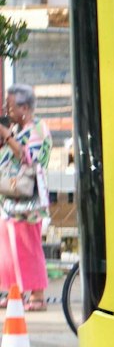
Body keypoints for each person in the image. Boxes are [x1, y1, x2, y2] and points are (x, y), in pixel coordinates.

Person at [0, 85, 52, 309]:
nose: (6, 109)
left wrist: (7, 136)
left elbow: (28, 157)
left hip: (28, 203)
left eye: (9, 106)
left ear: (24, 107)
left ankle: (38, 296)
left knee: (28, 248)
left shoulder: (38, 129)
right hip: (10, 201)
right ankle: (15, 292)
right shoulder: (18, 128)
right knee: (9, 249)